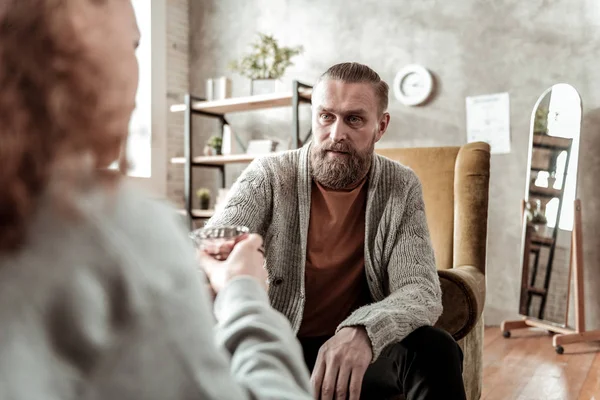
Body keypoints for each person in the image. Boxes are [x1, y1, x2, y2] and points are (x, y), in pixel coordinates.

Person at [0, 1, 313, 399]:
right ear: (76, 46)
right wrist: (244, 290)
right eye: (134, 45)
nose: (137, 72)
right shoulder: (110, 227)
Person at [207, 62, 466, 400]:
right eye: (326, 117)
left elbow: (420, 291)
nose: (336, 134)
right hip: (276, 349)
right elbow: (211, 249)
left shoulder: (401, 186)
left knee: (434, 350)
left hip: (357, 353)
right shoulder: (269, 175)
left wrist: (365, 331)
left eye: (354, 119)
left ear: (381, 126)